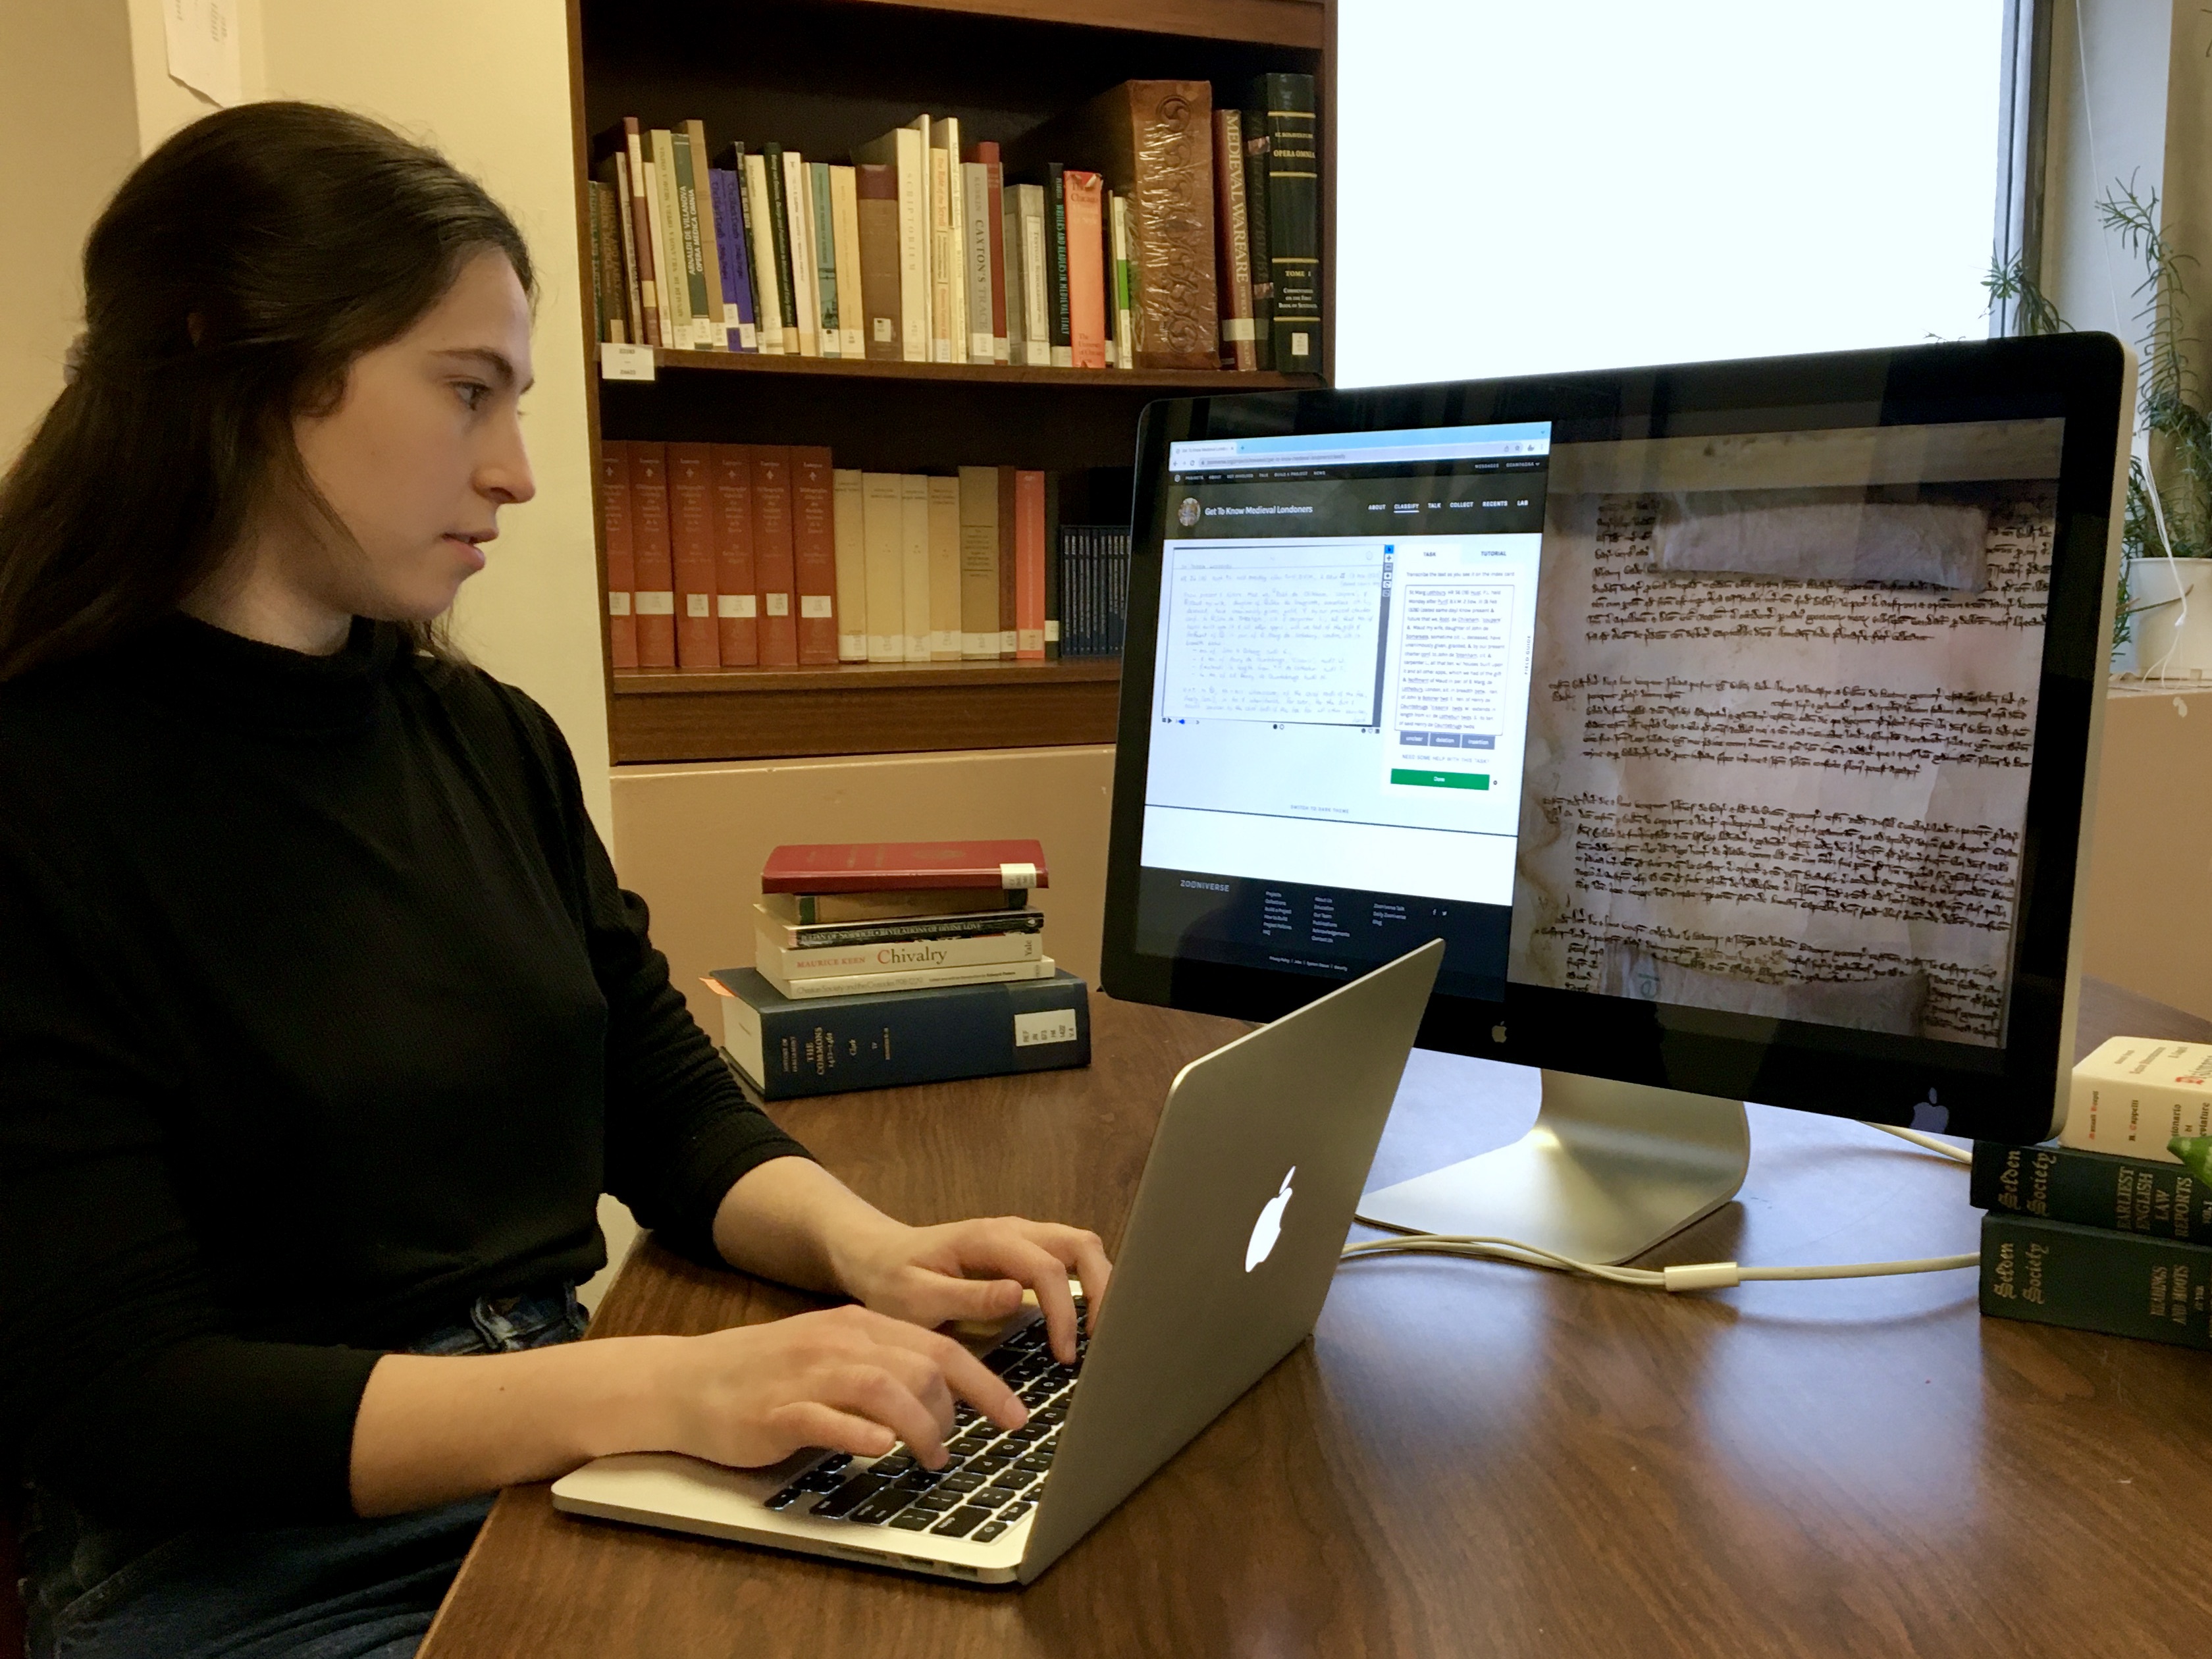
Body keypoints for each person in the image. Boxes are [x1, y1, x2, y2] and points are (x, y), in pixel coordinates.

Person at [0, 102, 1109, 1659]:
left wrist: (873, 1248)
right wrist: (666, 1387)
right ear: (234, 362)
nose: (517, 474)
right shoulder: (41, 794)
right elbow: (127, 1403)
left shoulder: (484, 738)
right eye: (468, 395)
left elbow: (651, 1091)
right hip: (253, 1569)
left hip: (561, 1451)